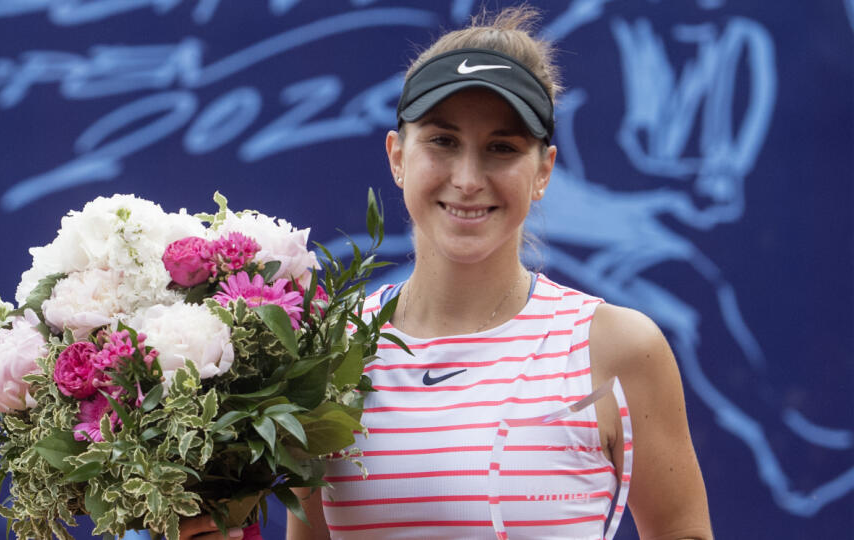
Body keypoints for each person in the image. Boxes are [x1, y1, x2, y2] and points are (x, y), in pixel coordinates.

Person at [182, 6, 712, 539]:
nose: (467, 178)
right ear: (397, 156)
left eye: (501, 148)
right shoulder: (328, 354)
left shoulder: (616, 349)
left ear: (544, 170)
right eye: (442, 141)